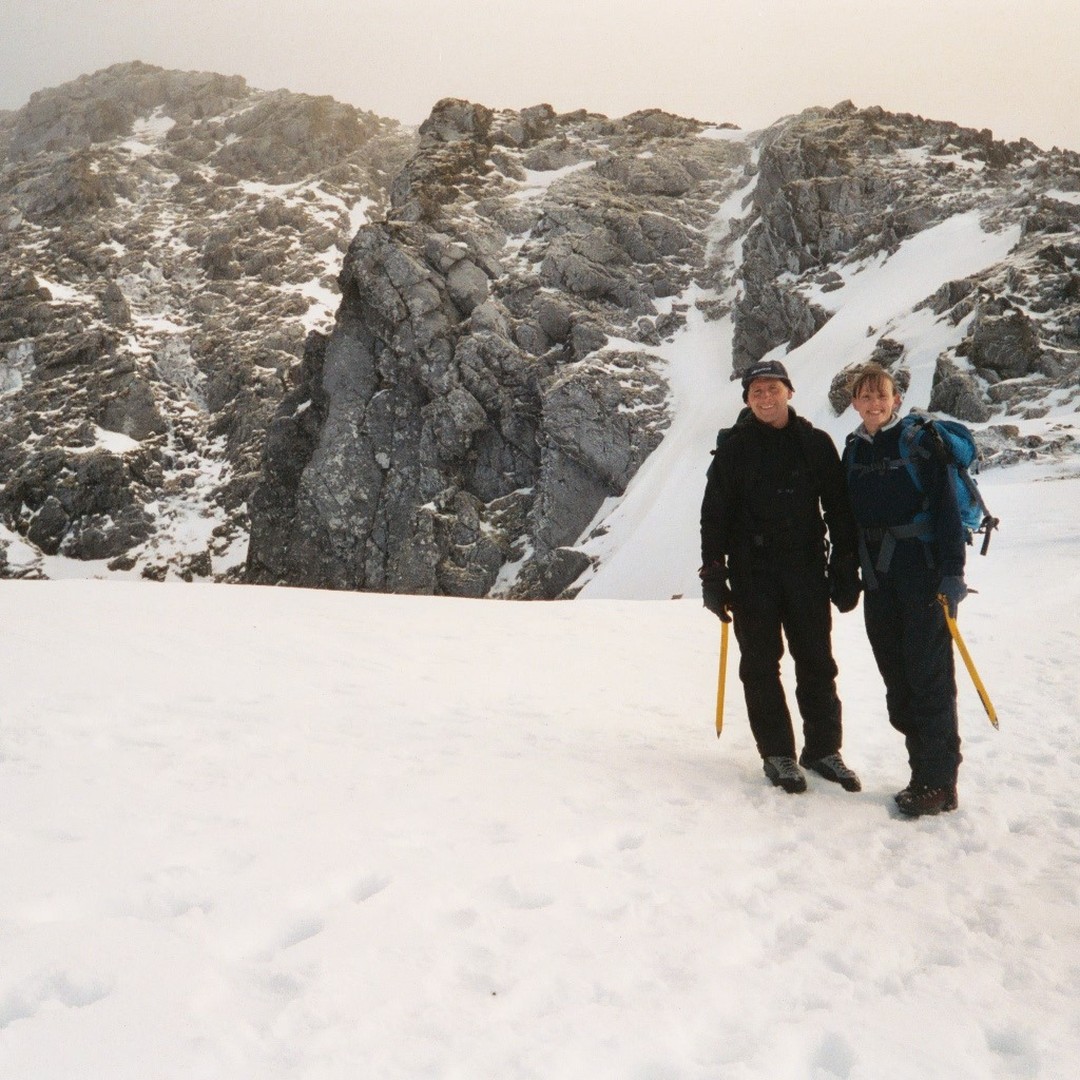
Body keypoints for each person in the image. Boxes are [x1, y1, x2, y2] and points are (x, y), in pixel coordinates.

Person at [699, 359, 862, 795]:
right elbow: (714, 516)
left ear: (789, 392)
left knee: (816, 661)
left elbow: (839, 509)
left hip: (806, 567)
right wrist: (713, 574)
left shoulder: (815, 443)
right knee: (760, 664)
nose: (765, 398)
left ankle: (823, 750)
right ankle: (778, 753)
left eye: (773, 389)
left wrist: (846, 563)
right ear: (748, 400)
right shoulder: (733, 449)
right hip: (752, 572)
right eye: (757, 392)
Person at [842, 363, 966, 817]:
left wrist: (953, 573)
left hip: (923, 576)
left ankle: (939, 783)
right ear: (854, 402)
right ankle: (922, 774)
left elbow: (948, 511)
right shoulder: (854, 448)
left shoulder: (920, 443)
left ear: (896, 400)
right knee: (898, 681)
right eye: (866, 397)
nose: (874, 404)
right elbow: (849, 517)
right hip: (879, 580)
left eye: (882, 396)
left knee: (929, 680)